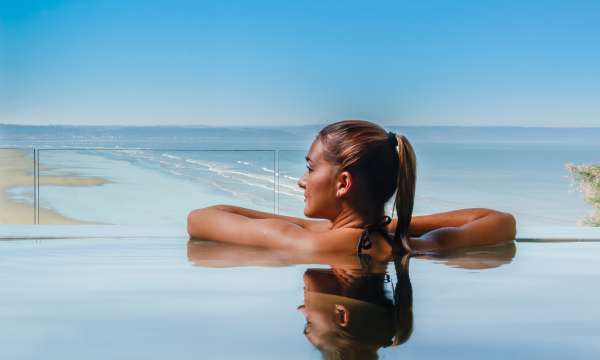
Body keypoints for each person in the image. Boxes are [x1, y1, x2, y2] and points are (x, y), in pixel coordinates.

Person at [187, 120, 516, 257]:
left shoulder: (308, 244)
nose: (302, 180)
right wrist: (397, 226)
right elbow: (500, 220)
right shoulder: (416, 245)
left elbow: (200, 219)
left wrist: (309, 226)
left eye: (310, 168)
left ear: (343, 183)